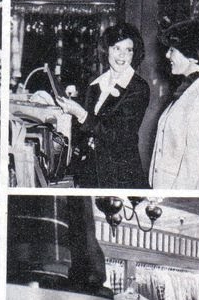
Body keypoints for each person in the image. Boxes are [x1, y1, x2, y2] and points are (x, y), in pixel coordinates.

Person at [56, 22, 149, 188]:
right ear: (107, 50)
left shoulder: (138, 88)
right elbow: (86, 129)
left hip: (119, 175)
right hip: (92, 168)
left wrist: (81, 114)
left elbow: (118, 135)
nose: (122, 56)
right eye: (116, 48)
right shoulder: (96, 84)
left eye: (128, 50)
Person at [148, 17, 199, 189]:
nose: (167, 55)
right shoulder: (189, 89)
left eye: (172, 50)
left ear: (192, 57)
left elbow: (193, 166)